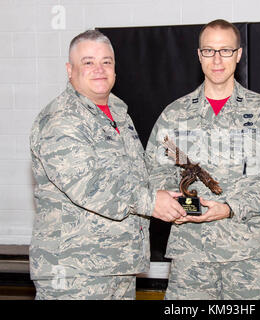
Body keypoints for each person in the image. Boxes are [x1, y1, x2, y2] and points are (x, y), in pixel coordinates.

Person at [29, 30, 186, 300]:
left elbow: (136, 175)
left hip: (117, 265)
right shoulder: (61, 119)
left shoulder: (118, 113)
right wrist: (152, 202)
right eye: (88, 62)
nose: (99, 69)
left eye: (106, 62)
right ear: (70, 69)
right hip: (75, 273)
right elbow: (88, 185)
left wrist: (175, 194)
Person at [145, 19, 260, 300]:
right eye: (209, 51)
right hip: (191, 255)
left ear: (238, 54)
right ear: (199, 55)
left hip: (246, 253)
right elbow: (155, 172)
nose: (217, 60)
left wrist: (229, 207)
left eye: (225, 51)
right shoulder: (175, 114)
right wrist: (178, 203)